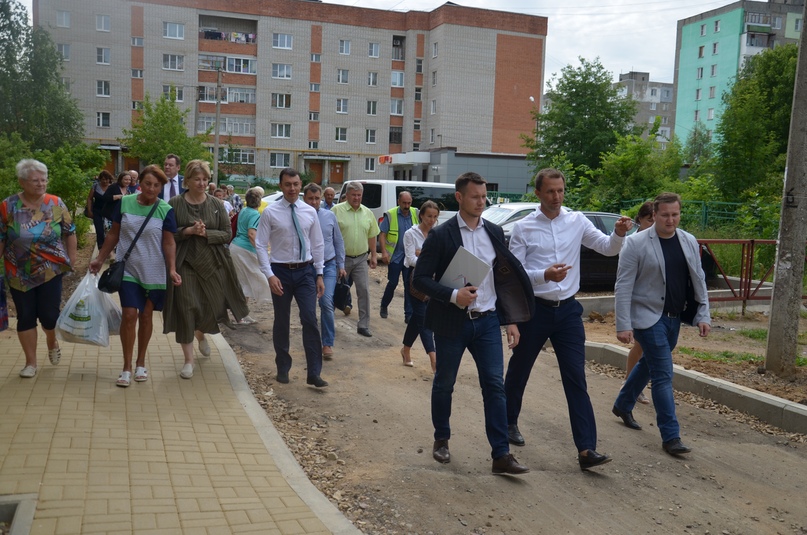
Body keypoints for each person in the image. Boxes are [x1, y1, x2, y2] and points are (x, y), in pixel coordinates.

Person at [504, 167, 632, 471]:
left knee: (576, 377)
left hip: (568, 312)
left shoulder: (576, 221)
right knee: (520, 370)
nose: (556, 197)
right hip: (534, 310)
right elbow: (515, 275)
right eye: (550, 191)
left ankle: (587, 449)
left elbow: (606, 248)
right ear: (537, 193)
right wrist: (544, 275)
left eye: (560, 191)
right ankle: (508, 423)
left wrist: (618, 234)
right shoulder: (524, 228)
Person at [412, 172, 534, 475]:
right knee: (444, 384)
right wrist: (453, 295)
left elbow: (502, 281)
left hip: (489, 321)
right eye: (475, 197)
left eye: (484, 197)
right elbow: (420, 280)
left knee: (494, 386)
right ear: (459, 198)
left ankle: (501, 455)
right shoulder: (441, 235)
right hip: (453, 323)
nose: (481, 202)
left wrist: (512, 321)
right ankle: (442, 438)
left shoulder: (494, 231)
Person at [612, 192, 711, 456]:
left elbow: (699, 280)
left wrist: (703, 315)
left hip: (674, 317)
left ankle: (623, 403)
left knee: (650, 363)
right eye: (665, 215)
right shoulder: (636, 244)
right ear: (654, 215)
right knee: (664, 374)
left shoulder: (688, 240)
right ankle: (671, 436)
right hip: (646, 317)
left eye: (675, 214)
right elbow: (623, 286)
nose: (670, 220)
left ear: (680, 214)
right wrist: (623, 324)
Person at [89, 165, 182, 387]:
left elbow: (169, 241)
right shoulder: (125, 203)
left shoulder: (165, 209)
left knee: (146, 316)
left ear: (161, 187)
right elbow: (114, 233)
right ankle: (126, 367)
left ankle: (141, 362)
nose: (152, 188)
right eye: (148, 183)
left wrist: (172, 268)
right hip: (128, 267)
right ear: (140, 182)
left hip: (154, 269)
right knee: (129, 314)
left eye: (157, 185)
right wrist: (100, 259)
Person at [163, 160, 249, 379]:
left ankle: (201, 335)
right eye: (197, 179)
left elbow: (226, 235)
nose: (201, 183)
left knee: (208, 307)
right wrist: (188, 231)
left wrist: (205, 234)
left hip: (212, 264)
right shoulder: (175, 203)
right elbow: (168, 235)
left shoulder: (216, 204)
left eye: (205, 179)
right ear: (187, 181)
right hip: (185, 264)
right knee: (186, 308)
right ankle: (188, 361)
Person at [0, 159, 76, 377]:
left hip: (50, 269)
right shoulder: (8, 206)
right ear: (22, 182)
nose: (41, 183)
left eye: (44, 179)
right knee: (25, 316)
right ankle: (30, 363)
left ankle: (52, 342)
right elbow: (1, 236)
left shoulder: (55, 203)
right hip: (18, 271)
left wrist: (70, 260)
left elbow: (70, 232)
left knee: (49, 316)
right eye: (35, 180)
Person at [255, 168, 328, 388]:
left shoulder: (309, 211)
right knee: (282, 321)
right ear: (281, 186)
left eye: (296, 184)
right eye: (288, 184)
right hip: (281, 272)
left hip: (305, 271)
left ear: (300, 185)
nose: (293, 188)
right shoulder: (270, 212)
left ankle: (314, 373)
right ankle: (283, 367)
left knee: (310, 319)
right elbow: (260, 244)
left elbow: (318, 244)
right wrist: (269, 275)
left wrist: (320, 273)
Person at [333, 181, 379, 337]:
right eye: (354, 195)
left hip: (360, 258)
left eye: (359, 195)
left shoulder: (367, 213)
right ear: (347, 195)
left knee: (364, 290)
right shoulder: (336, 211)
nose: (357, 198)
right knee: (335, 289)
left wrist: (373, 255)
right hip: (341, 259)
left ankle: (363, 324)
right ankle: (328, 321)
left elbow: (372, 234)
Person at [400, 200, 439, 371]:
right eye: (429, 216)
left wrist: (421, 254)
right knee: (423, 317)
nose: (431, 220)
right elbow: (410, 259)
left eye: (435, 217)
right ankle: (433, 357)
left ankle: (406, 349)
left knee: (417, 318)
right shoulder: (410, 233)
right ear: (421, 215)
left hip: (433, 279)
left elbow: (441, 258)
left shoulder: (437, 234)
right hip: (413, 279)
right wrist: (428, 259)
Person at [625, 201, 655, 405]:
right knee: (640, 346)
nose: (653, 224)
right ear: (640, 220)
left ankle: (633, 386)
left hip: (655, 304)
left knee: (645, 346)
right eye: (649, 220)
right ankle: (631, 386)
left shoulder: (660, 241)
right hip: (637, 302)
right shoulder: (634, 242)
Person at [229, 187, 270, 322]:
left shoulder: (244, 211)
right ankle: (241, 313)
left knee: (243, 282)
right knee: (260, 277)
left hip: (235, 247)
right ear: (259, 201)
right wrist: (261, 251)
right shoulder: (254, 214)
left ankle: (242, 314)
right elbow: (252, 234)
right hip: (244, 249)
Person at [379, 191, 418, 322]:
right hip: (395, 256)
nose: (407, 206)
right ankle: (384, 305)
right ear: (398, 202)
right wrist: (384, 252)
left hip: (409, 257)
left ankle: (408, 314)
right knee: (393, 283)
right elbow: (382, 234)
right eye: (404, 203)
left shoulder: (416, 213)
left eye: (409, 203)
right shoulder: (391, 215)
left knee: (409, 285)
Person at [86, 170, 113, 251]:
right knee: (99, 231)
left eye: (106, 179)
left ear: (109, 179)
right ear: (100, 179)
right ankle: (101, 249)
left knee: (108, 232)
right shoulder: (95, 186)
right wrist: (89, 210)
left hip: (109, 212)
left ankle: (109, 250)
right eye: (103, 179)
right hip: (97, 211)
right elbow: (90, 199)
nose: (104, 181)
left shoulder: (112, 187)